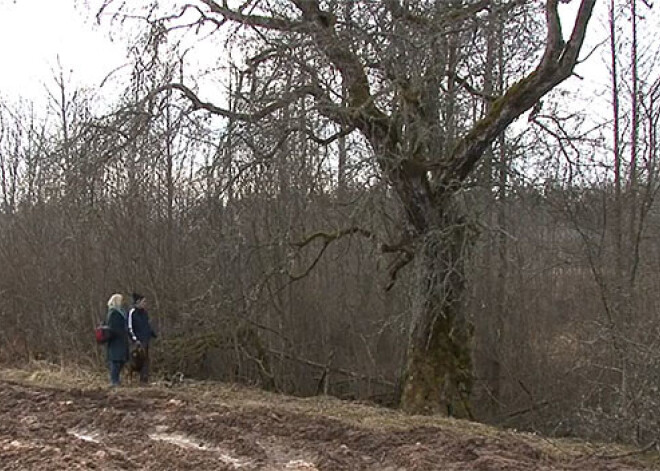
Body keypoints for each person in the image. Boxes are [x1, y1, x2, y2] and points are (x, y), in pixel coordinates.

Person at [128, 292, 157, 384]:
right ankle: (131, 379)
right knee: (136, 361)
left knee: (146, 361)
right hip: (137, 342)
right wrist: (135, 339)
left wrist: (152, 334)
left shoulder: (145, 313)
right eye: (143, 302)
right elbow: (129, 327)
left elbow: (147, 325)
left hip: (145, 340)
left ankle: (144, 380)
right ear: (138, 302)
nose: (145, 304)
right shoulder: (132, 313)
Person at [106, 293, 129, 387]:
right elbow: (112, 327)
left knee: (122, 360)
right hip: (115, 340)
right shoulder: (113, 313)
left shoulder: (121, 311)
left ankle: (116, 379)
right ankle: (114, 381)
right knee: (116, 361)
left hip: (121, 339)